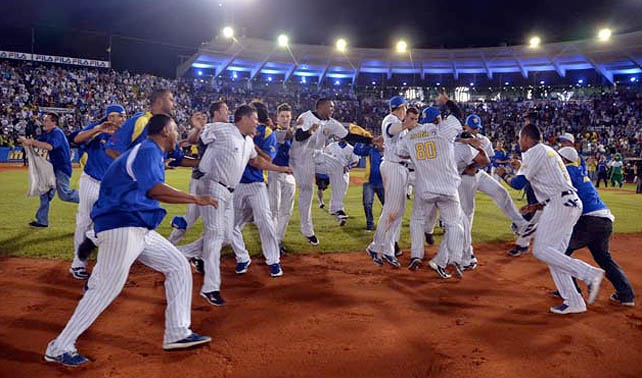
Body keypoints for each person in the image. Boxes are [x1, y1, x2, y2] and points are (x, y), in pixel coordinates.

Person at [44, 114, 216, 367]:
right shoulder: (147, 150)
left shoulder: (150, 152)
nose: (178, 135)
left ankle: (177, 331)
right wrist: (195, 199)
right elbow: (154, 189)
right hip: (121, 225)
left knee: (178, 265)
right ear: (166, 131)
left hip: (137, 226)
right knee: (106, 289)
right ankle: (60, 346)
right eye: (176, 130)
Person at [177, 105, 292, 307]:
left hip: (229, 192)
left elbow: (258, 163)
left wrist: (280, 168)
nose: (257, 122)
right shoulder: (223, 129)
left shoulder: (248, 142)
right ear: (244, 118)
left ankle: (178, 253)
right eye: (255, 119)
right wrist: (196, 127)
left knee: (228, 236)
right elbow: (196, 139)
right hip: (211, 184)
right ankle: (211, 288)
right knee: (214, 234)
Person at [496, 124, 605, 315]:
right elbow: (544, 176)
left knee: (540, 250)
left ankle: (589, 273)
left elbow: (518, 183)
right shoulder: (548, 151)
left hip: (558, 204)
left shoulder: (534, 150)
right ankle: (574, 301)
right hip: (569, 203)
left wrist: (503, 174)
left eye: (520, 138)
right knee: (555, 256)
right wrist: (521, 167)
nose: (519, 142)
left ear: (527, 138)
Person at [557, 147, 635, 307]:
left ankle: (572, 292)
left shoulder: (567, 171)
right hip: (604, 219)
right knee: (604, 259)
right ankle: (626, 295)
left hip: (590, 221)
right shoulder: (578, 171)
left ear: (563, 159)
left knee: (560, 254)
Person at [68, 104, 127, 280]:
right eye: (119, 116)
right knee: (84, 222)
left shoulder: (127, 134)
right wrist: (98, 129)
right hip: (91, 181)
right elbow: (77, 139)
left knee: (111, 223)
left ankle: (106, 262)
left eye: (123, 116)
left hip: (112, 186)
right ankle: (78, 264)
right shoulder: (97, 129)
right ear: (110, 117)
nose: (122, 119)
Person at [229, 101, 282, 277]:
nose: (257, 122)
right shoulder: (233, 131)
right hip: (235, 184)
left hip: (256, 183)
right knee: (230, 225)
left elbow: (267, 159)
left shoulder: (267, 133)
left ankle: (274, 261)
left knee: (264, 221)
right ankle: (242, 257)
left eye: (257, 118)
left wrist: (251, 143)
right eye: (254, 118)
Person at [289, 98, 350, 245]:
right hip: (300, 158)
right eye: (331, 106)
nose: (332, 109)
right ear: (320, 107)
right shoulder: (306, 117)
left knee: (338, 166)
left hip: (316, 155)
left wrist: (370, 140)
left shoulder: (331, 123)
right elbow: (298, 136)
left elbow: (348, 136)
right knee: (307, 192)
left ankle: (337, 208)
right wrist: (310, 131)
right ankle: (307, 230)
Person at [365, 97, 416, 267]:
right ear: (401, 107)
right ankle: (375, 246)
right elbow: (391, 130)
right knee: (391, 211)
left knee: (399, 212)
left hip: (401, 168)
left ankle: (388, 250)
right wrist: (406, 124)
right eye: (404, 108)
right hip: (393, 166)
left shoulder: (402, 125)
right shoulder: (391, 119)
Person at [168, 101, 229, 245]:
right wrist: (197, 128)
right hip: (202, 178)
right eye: (225, 109)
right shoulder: (207, 128)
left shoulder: (228, 129)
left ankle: (172, 244)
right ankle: (183, 249)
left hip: (217, 180)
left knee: (194, 217)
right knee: (208, 220)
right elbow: (192, 140)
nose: (228, 112)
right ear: (216, 113)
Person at [19, 112, 80, 227]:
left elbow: (49, 146)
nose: (44, 122)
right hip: (55, 167)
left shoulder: (57, 133)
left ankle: (88, 198)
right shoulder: (49, 133)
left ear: (54, 122)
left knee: (65, 194)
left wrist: (31, 142)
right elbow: (38, 142)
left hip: (62, 168)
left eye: (47, 120)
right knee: (45, 193)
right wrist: (25, 141)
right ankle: (42, 221)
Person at [267, 103, 296, 254]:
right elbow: (288, 135)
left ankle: (278, 240)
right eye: (282, 116)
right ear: (277, 118)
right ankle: (272, 243)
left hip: (290, 174)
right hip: (275, 173)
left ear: (291, 118)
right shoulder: (273, 133)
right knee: (274, 209)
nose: (285, 119)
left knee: (287, 210)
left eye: (287, 116)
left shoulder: (293, 134)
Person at [316, 139, 361, 225]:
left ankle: (334, 209)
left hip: (344, 173)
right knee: (334, 191)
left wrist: (349, 166)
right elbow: (323, 156)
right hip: (331, 172)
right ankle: (339, 211)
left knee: (341, 192)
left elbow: (356, 161)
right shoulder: (331, 146)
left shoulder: (351, 149)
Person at [354, 137, 384, 232]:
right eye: (379, 141)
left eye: (382, 141)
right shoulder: (371, 150)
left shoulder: (390, 151)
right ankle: (370, 225)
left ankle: (383, 223)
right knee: (367, 204)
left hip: (384, 182)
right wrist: (363, 140)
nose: (380, 143)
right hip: (369, 182)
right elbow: (357, 150)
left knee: (388, 205)